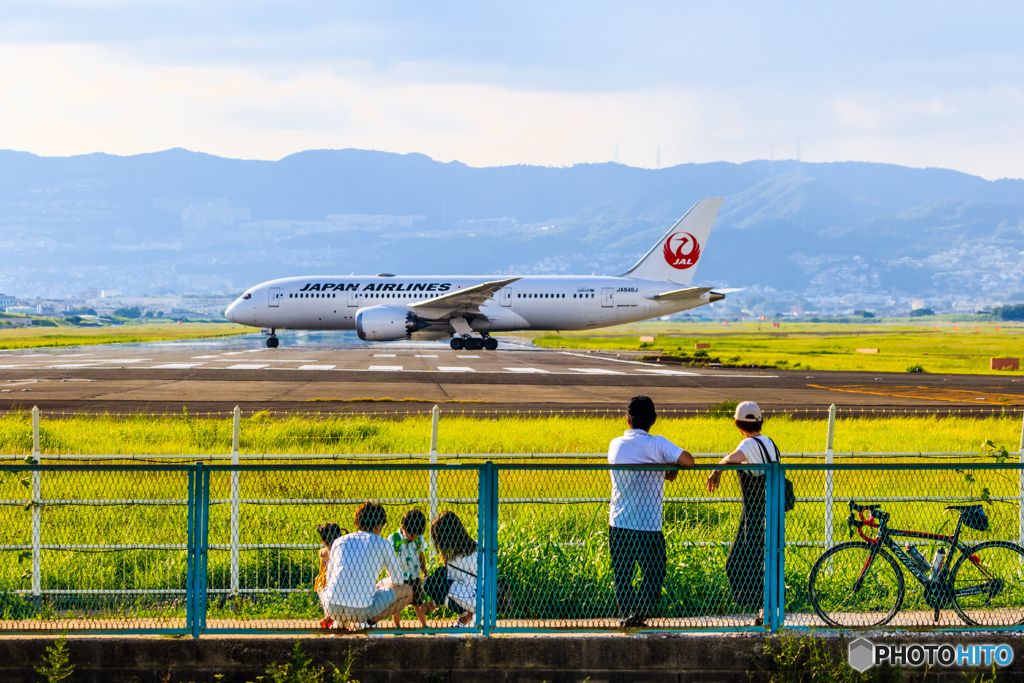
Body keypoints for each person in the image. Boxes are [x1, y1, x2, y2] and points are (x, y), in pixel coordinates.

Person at [607, 395, 695, 628]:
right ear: (654, 420)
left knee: (622, 575)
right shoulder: (658, 444)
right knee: (655, 571)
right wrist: (669, 466)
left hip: (620, 521)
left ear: (627, 420)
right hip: (649, 525)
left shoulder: (615, 444)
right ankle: (641, 611)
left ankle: (628, 616)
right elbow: (689, 461)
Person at [704, 401, 780, 625]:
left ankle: (761, 607)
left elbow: (732, 458)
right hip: (771, 511)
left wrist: (718, 469)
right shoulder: (769, 442)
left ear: (737, 423)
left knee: (739, 562)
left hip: (755, 515)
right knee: (757, 561)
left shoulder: (747, 445)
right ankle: (764, 610)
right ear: (761, 421)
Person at [319, 501, 412, 629]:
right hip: (360, 611)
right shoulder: (383, 543)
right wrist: (381, 584)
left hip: (331, 607)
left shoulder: (339, 541)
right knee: (408, 591)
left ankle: (339, 622)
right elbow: (399, 580)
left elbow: (329, 579)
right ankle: (369, 623)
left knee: (330, 590)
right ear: (379, 525)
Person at [424, 511, 480, 626]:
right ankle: (468, 614)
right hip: (484, 594)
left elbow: (449, 585)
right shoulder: (477, 545)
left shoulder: (454, 559)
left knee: (429, 583)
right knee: (440, 573)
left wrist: (435, 603)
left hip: (473, 599)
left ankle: (467, 614)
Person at [388, 509, 431, 628]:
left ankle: (423, 624)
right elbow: (389, 560)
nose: (415, 537)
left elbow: (421, 556)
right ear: (403, 527)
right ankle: (397, 625)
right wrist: (389, 575)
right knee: (397, 603)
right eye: (412, 534)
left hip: (414, 575)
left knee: (418, 602)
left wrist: (424, 571)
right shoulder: (394, 538)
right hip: (399, 577)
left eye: (418, 534)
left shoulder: (419, 538)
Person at [314, 522, 345, 629]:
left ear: (323, 540)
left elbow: (322, 568)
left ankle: (327, 617)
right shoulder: (340, 550)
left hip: (324, 582)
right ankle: (330, 618)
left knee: (326, 601)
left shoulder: (323, 552)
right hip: (337, 579)